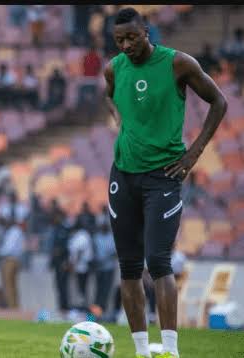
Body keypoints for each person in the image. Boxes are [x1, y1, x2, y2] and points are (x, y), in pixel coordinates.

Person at [104, 8, 228, 358]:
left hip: (164, 176)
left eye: (132, 37)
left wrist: (193, 154)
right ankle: (143, 352)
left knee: (158, 261)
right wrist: (117, 117)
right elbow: (109, 94)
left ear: (147, 31)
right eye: (119, 40)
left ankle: (170, 351)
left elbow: (219, 101)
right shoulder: (113, 68)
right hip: (123, 176)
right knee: (128, 267)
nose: (126, 45)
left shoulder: (178, 64)